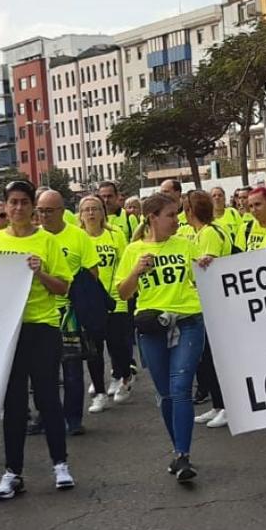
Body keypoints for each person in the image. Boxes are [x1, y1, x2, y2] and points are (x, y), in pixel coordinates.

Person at [0, 180, 76, 499]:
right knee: (14, 403)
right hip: (5, 331)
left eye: (23, 202)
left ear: (33, 207)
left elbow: (63, 287)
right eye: (12, 202)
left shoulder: (46, 241)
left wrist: (39, 274)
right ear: (4, 206)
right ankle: (12, 471)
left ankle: (60, 464)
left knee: (47, 397)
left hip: (41, 326)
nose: (17, 208)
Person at [116, 193, 208, 483]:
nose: (176, 220)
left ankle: (183, 454)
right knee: (165, 392)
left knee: (180, 387)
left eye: (177, 214)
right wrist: (136, 271)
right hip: (151, 325)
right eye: (170, 215)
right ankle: (176, 449)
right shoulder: (134, 249)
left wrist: (205, 264)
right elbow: (123, 293)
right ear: (152, 217)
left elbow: (200, 276)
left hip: (188, 320)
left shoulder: (185, 244)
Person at [36, 188, 101, 436]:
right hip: (41, 314)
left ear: (62, 212)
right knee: (43, 372)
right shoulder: (33, 237)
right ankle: (46, 417)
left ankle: (73, 419)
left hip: (70, 313)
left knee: (72, 369)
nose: (43, 216)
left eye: (49, 211)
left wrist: (79, 299)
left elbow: (92, 273)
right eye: (40, 211)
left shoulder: (78, 237)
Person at [78, 195, 134, 410]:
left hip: (115, 298)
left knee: (118, 346)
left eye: (95, 209)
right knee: (94, 349)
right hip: (90, 302)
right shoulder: (78, 237)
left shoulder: (115, 235)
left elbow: (125, 263)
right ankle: (99, 392)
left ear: (103, 212)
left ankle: (124, 376)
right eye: (87, 209)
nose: (91, 213)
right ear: (80, 215)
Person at [184, 190, 233, 429]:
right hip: (205, 304)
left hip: (213, 304)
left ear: (190, 211)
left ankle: (225, 406)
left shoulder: (209, 234)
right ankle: (217, 404)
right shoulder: (202, 233)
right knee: (207, 359)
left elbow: (207, 270)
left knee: (215, 359)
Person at [236, 186, 266, 252]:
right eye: (251, 206)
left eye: (257, 204)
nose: (254, 210)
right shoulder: (245, 229)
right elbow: (237, 258)